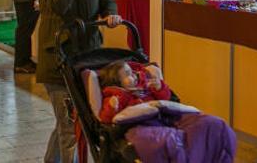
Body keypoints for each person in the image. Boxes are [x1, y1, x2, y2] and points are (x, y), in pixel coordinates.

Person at [36, 0, 122, 163]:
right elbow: (57, 6)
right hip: (58, 57)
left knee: (77, 119)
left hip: (89, 54)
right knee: (69, 125)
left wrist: (111, 14)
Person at [96, 61, 237, 162]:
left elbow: (166, 99)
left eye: (131, 71)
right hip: (140, 126)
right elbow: (106, 118)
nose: (133, 74)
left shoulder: (145, 86)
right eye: (127, 74)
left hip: (166, 118)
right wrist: (112, 107)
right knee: (171, 144)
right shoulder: (115, 97)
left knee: (213, 125)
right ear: (117, 81)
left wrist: (159, 88)